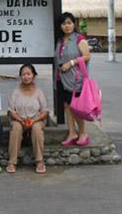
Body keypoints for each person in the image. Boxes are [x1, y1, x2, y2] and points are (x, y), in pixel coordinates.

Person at [54, 12, 92, 147]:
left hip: (75, 79)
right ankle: (72, 133)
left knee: (76, 107)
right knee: (67, 106)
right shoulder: (60, 40)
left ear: (74, 24)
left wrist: (71, 63)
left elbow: (87, 56)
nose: (67, 26)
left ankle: (83, 133)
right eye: (64, 23)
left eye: (69, 23)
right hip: (60, 78)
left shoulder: (79, 39)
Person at [6, 64, 49, 174]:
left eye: (28, 74)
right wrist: (21, 120)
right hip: (19, 119)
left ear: (33, 75)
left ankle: (39, 161)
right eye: (23, 74)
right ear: (21, 76)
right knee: (16, 127)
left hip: (36, 120)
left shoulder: (39, 92)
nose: (26, 76)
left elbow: (45, 111)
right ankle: (12, 162)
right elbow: (11, 111)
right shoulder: (15, 92)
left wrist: (34, 120)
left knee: (36, 128)